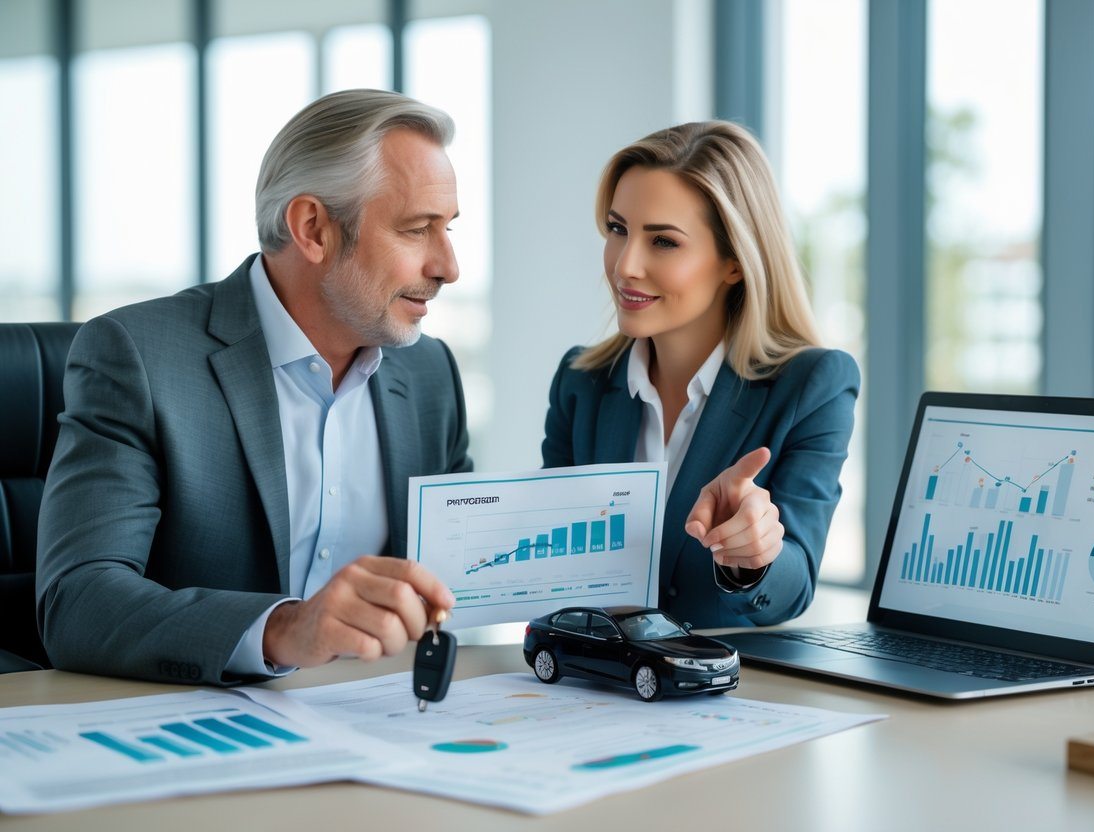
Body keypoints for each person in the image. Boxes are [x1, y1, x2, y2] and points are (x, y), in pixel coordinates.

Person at [37, 90, 470, 685]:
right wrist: (285, 628)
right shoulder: (137, 356)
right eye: (418, 230)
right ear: (313, 228)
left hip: (386, 722)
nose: (448, 266)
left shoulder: (430, 375)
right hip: (196, 734)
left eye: (447, 230)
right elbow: (78, 603)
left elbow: (460, 575)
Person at [542, 121, 859, 628]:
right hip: (592, 685)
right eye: (618, 230)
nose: (625, 266)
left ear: (734, 261)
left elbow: (794, 586)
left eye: (663, 241)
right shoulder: (581, 382)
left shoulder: (812, 385)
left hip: (718, 691)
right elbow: (550, 557)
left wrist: (756, 557)